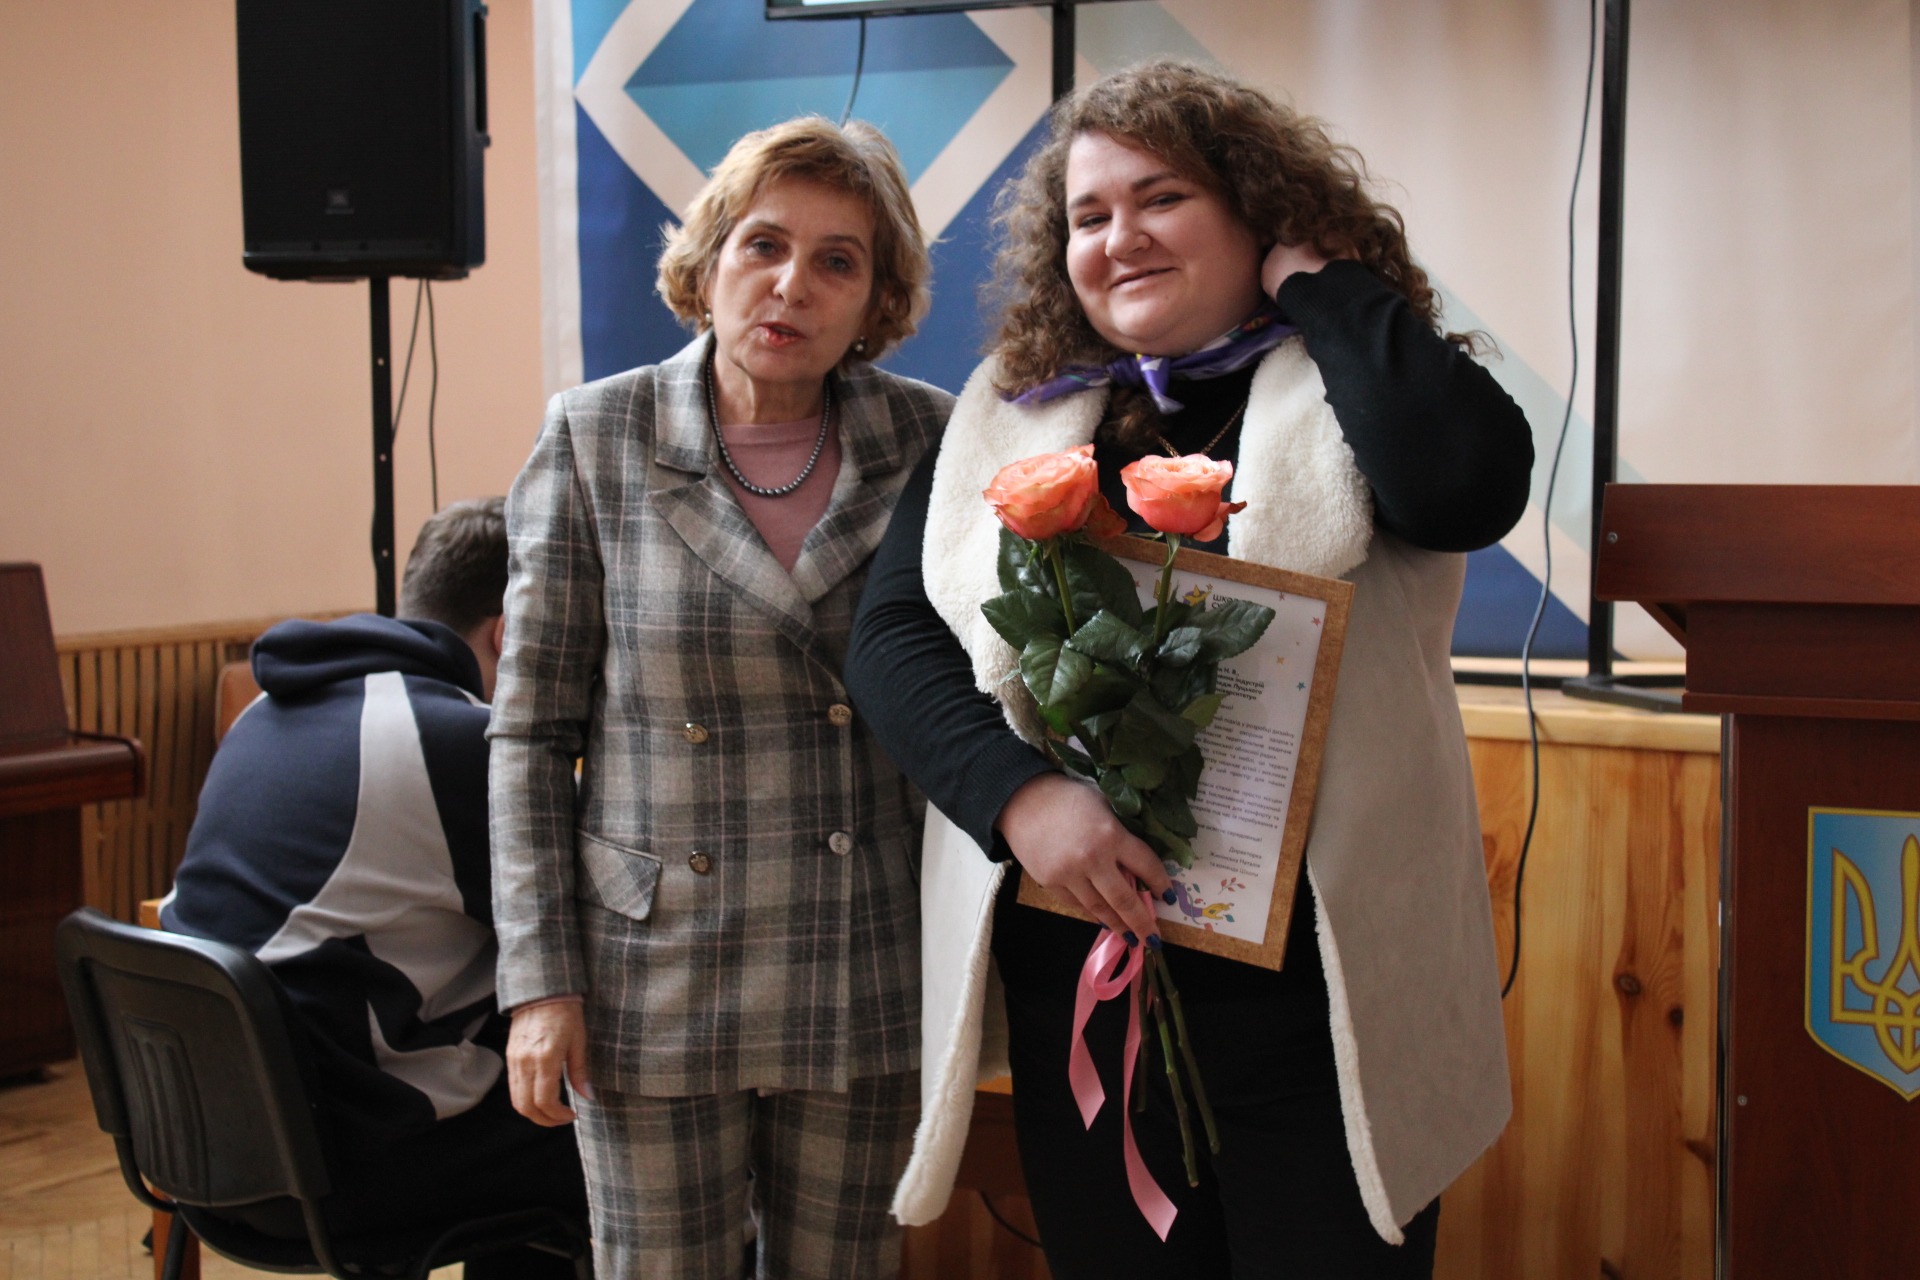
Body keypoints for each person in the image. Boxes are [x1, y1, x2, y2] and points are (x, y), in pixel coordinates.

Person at [845, 61, 1534, 1279]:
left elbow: (1464, 484)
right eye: (1089, 215)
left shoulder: (1353, 381)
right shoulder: (1014, 413)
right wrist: (1022, 798)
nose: (1120, 238)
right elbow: (893, 640)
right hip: (1087, 983)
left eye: (1161, 197)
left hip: (1321, 1003)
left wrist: (1320, 281)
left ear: (1255, 208)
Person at [489, 116, 952, 1280]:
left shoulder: (931, 437)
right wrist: (539, 980)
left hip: (860, 951)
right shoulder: (596, 433)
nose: (792, 284)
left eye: (838, 260)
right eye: (764, 244)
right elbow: (531, 733)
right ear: (709, 262)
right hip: (650, 968)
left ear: (876, 298)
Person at [161, 497, 588, 1279]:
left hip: (202, 1138)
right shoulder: (449, 740)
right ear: (510, 634)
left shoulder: (266, 708)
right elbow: (594, 922)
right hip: (337, 1163)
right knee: (606, 1108)